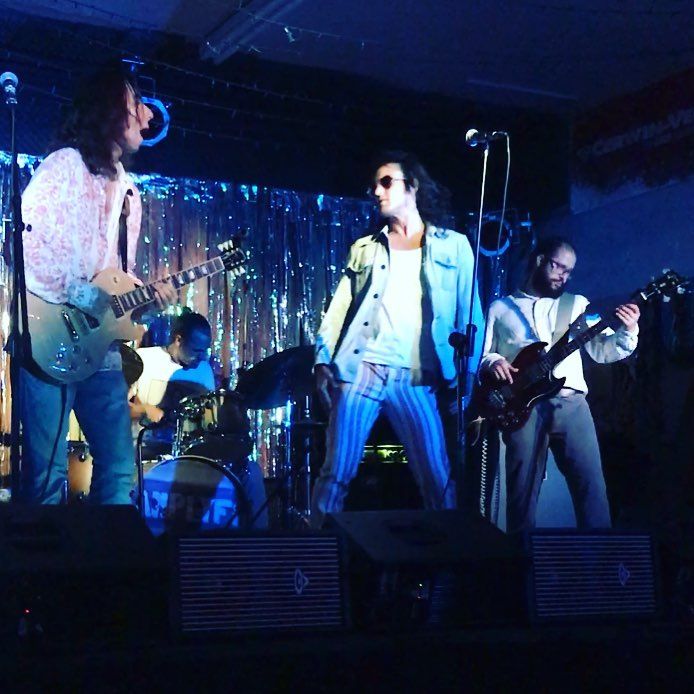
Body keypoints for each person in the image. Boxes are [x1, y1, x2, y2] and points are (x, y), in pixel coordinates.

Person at [19, 65, 177, 504]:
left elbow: (116, 279)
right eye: (136, 104)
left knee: (121, 468)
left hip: (101, 350)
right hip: (48, 337)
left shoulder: (130, 194)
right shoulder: (65, 166)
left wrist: (147, 301)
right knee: (47, 477)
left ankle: (110, 548)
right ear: (108, 110)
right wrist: (85, 294)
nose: (148, 115)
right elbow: (25, 247)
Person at [311, 150, 484, 526]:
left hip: (417, 376)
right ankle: (318, 553)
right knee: (336, 473)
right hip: (361, 371)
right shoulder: (365, 248)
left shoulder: (454, 246)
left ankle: (448, 559)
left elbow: (472, 315)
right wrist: (323, 360)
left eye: (387, 182)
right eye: (374, 185)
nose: (377, 191)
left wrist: (467, 377)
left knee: (437, 478)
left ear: (413, 187)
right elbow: (338, 310)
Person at [480, 236, 640, 533]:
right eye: (559, 267)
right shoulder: (500, 308)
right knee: (521, 491)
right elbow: (485, 354)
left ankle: (600, 553)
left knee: (591, 486)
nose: (564, 276)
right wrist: (494, 363)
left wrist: (628, 330)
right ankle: (520, 556)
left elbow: (602, 351)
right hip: (522, 407)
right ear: (540, 260)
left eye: (569, 272)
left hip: (571, 403)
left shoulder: (577, 305)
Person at [130, 311, 269, 528]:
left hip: (193, 456)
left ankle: (255, 545)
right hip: (150, 452)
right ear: (178, 340)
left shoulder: (203, 369)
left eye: (205, 350)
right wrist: (145, 410)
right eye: (197, 350)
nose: (202, 357)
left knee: (251, 473)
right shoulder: (144, 359)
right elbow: (115, 408)